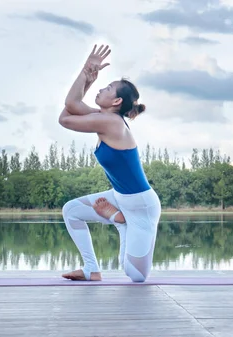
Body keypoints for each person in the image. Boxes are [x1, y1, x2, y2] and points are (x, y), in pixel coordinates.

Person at [58, 44, 161, 283]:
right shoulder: (104, 118)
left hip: (140, 206)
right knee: (71, 211)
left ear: (116, 101)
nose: (101, 89)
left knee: (135, 275)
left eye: (107, 88)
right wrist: (88, 80)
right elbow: (66, 115)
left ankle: (120, 222)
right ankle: (91, 270)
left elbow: (71, 107)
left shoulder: (112, 123)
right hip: (119, 197)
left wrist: (86, 73)